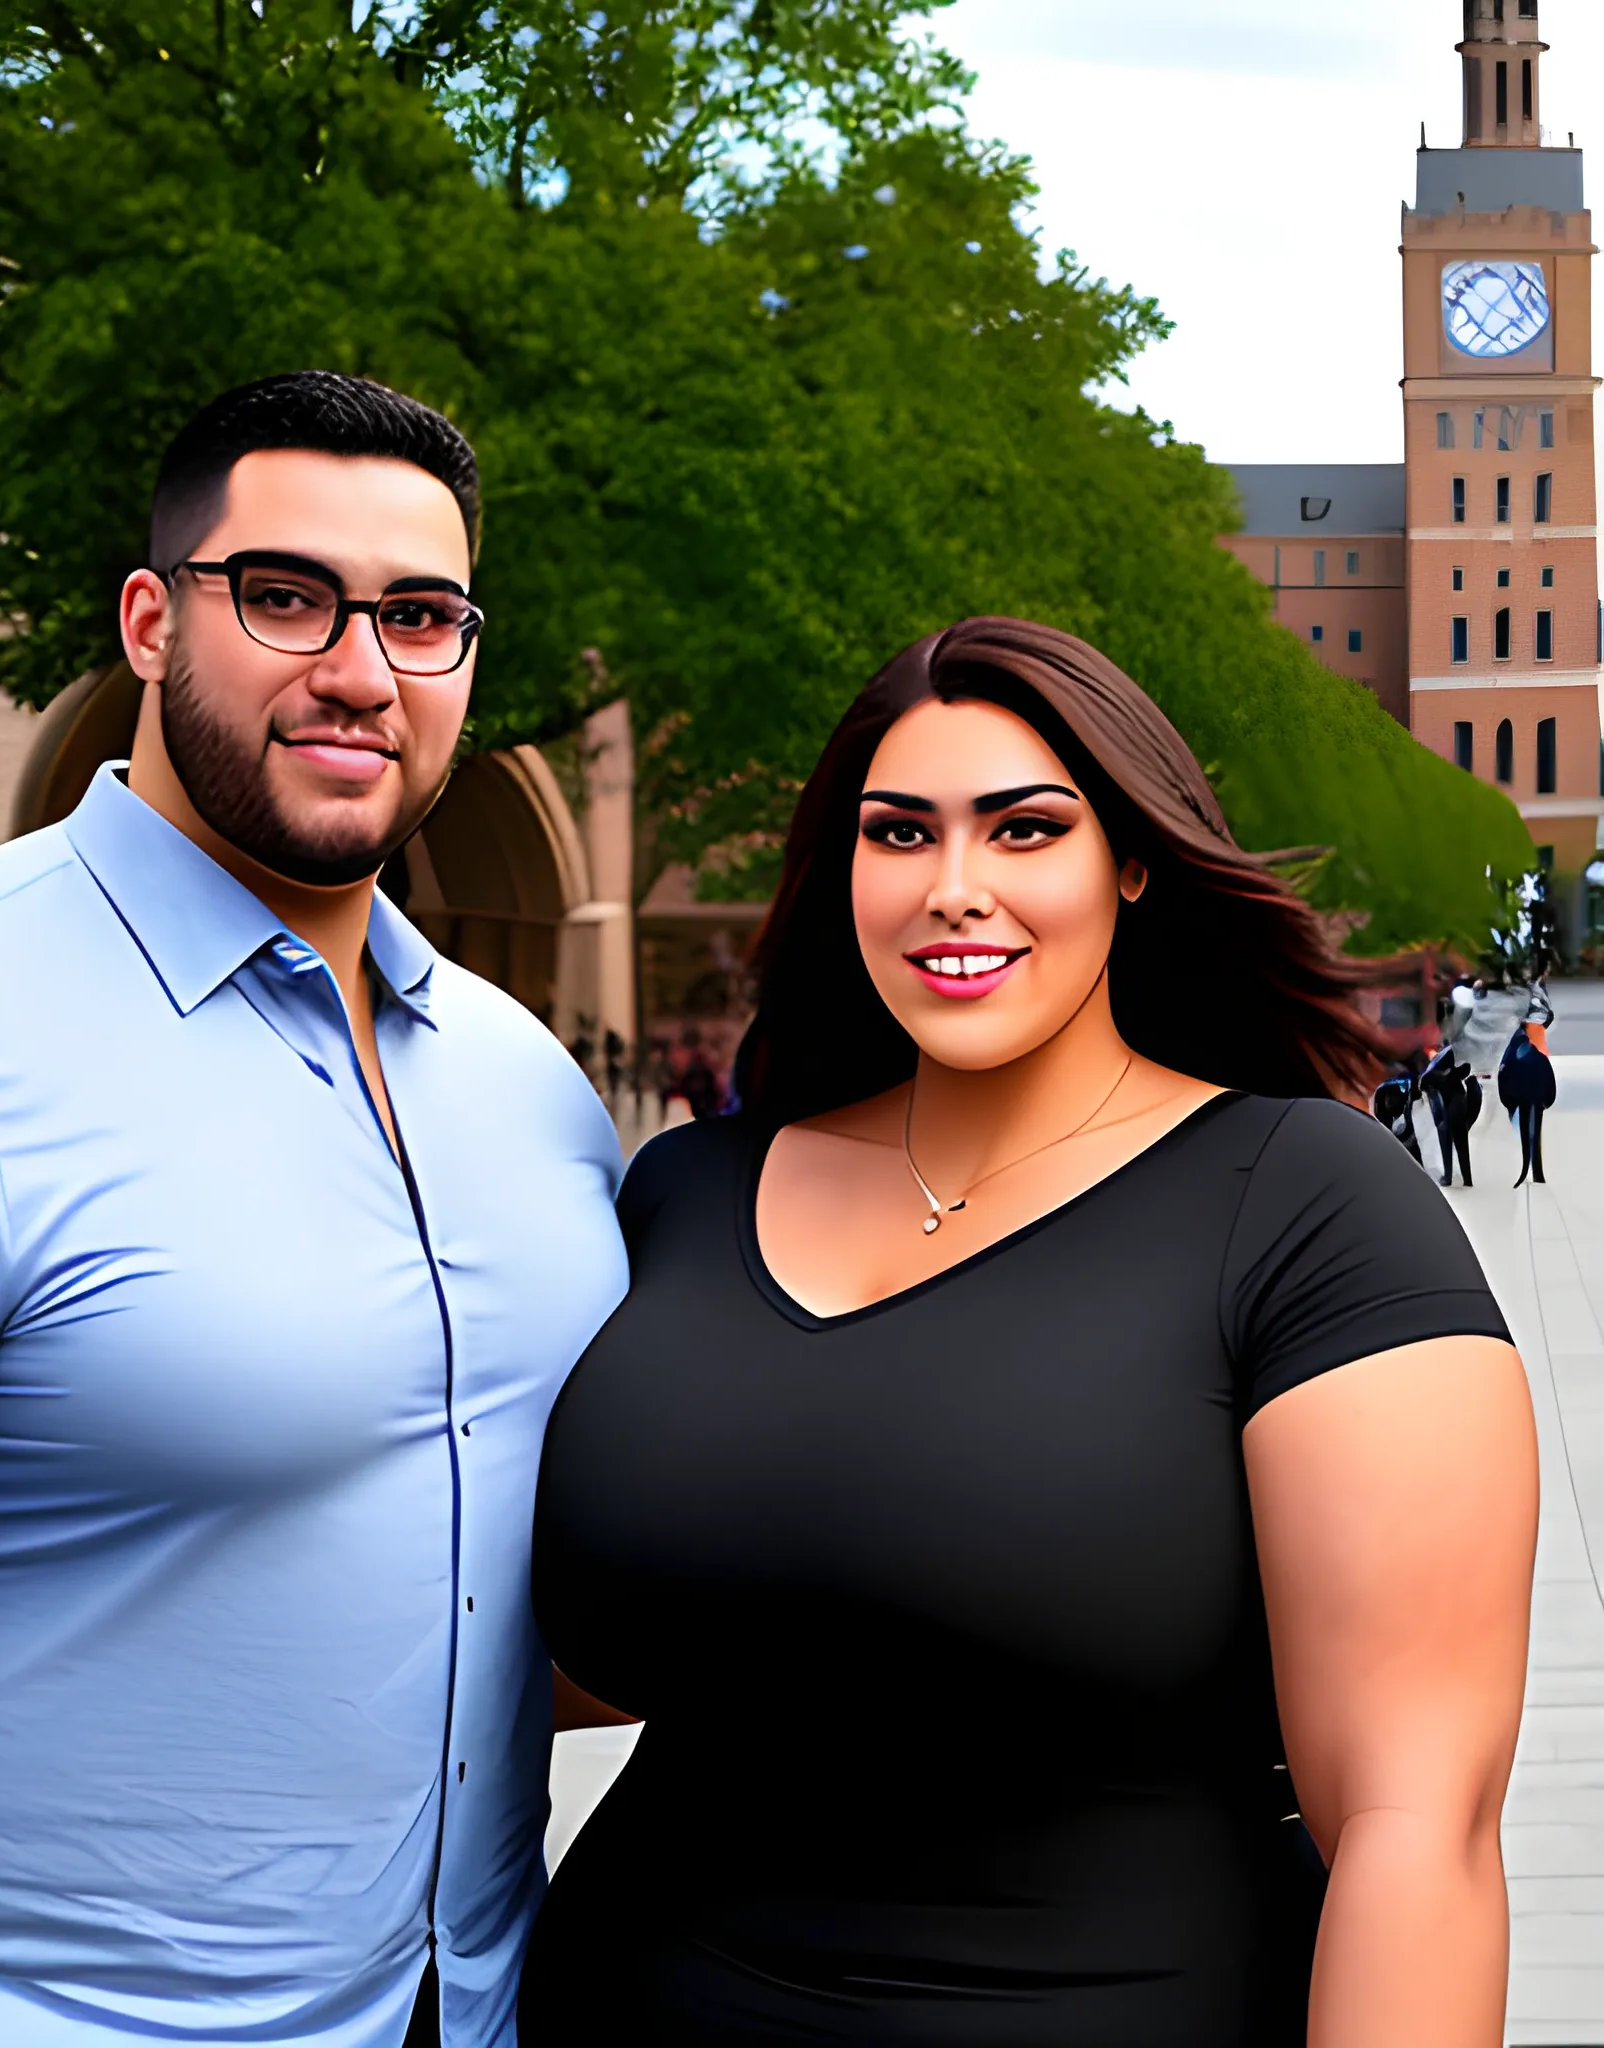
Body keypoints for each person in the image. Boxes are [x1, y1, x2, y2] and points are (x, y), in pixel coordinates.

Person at [0, 373, 629, 2048]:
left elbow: (501, 1607)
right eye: (285, 597)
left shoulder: (529, 1098)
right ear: (150, 620)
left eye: (419, 616)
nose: (358, 671)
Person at [525, 619, 1536, 2047]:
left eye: (1024, 830)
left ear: (1129, 859)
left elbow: (1417, 1826)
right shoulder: (688, 1194)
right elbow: (578, 1642)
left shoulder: (1306, 1205)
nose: (954, 889)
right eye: (900, 834)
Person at [1499, 1014, 1555, 1187]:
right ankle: (1535, 1172)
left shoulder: (1515, 1050)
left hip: (1525, 1097)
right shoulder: (1528, 1050)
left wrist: (1509, 1101)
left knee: (1528, 1133)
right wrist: (1547, 1099)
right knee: (1533, 1133)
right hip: (1532, 1097)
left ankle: (1532, 1170)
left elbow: (1504, 1074)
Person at [1421, 1042, 1482, 1189]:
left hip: (1449, 1103)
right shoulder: (1445, 1064)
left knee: (1449, 1141)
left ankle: (1451, 1177)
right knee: (1457, 1142)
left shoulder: (1441, 1063)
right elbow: (1465, 1071)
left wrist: (1445, 1074)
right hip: (1453, 1102)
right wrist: (1448, 1074)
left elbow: (1425, 1084)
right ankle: (1464, 1178)